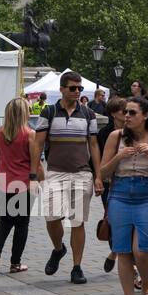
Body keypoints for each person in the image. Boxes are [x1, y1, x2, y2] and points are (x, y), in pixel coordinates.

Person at [98, 96, 148, 295]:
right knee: (123, 250)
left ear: (145, 115)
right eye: (126, 112)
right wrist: (118, 156)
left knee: (142, 249)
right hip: (120, 194)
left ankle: (146, 285)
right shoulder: (115, 136)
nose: (126, 116)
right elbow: (103, 173)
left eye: (132, 112)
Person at [35, 71, 100, 284]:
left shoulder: (88, 114)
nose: (77, 91)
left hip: (82, 172)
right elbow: (38, 143)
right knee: (52, 217)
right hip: (55, 171)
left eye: (79, 88)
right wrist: (34, 169)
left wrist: (98, 175)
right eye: (73, 88)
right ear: (62, 89)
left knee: (77, 221)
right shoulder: (50, 111)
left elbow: (93, 145)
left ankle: (77, 267)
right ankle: (58, 248)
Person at [0, 97, 38, 274]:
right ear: (25, 113)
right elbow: (35, 161)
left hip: (2, 181)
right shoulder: (30, 133)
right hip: (22, 182)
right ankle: (15, 263)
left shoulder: (1, 132)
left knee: (5, 220)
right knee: (22, 224)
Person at [95, 96, 129, 275]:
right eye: (124, 112)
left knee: (127, 221)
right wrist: (98, 178)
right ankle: (117, 250)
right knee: (113, 220)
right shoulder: (104, 133)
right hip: (109, 182)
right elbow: (99, 158)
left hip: (129, 180)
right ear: (114, 114)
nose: (128, 115)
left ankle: (116, 253)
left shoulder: (135, 131)